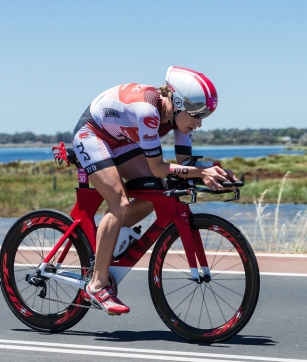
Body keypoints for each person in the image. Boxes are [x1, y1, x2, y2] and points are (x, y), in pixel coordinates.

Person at [71, 66, 237, 314]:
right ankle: (96, 285)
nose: (200, 123)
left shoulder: (178, 119)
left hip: (121, 140)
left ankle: (109, 237)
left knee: (158, 192)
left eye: (205, 115)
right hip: (92, 134)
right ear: (178, 102)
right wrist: (201, 172)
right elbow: (159, 167)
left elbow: (184, 165)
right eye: (197, 114)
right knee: (120, 202)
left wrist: (213, 172)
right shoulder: (148, 112)